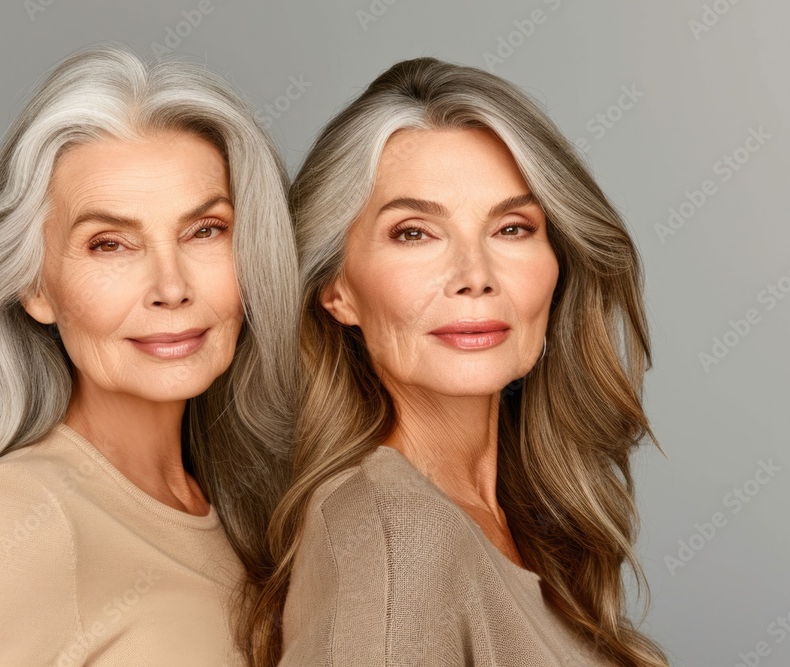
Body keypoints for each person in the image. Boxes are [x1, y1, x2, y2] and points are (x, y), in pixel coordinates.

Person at [0, 42, 298, 666]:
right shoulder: (28, 513)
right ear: (35, 285)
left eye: (205, 230)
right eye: (110, 244)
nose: (171, 287)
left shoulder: (248, 505)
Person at [248, 56, 671, 666]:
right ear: (336, 290)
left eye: (512, 228)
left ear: (559, 267)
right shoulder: (391, 533)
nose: (474, 277)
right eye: (414, 233)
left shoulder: (519, 520)